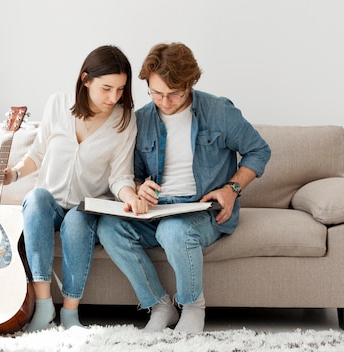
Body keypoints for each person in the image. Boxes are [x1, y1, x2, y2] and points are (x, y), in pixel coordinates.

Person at [96, 42, 271, 333]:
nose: (164, 102)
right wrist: (141, 189)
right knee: (108, 227)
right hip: (159, 210)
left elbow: (259, 151)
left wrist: (232, 189)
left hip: (204, 210)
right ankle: (159, 305)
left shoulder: (219, 112)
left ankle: (192, 306)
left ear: (189, 83)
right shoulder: (141, 120)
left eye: (174, 94)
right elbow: (134, 174)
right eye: (156, 93)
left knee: (173, 229)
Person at [0, 45, 146, 331]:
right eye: (106, 88)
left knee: (77, 218)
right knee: (35, 198)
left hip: (87, 207)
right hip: (48, 205)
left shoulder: (124, 120)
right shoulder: (58, 104)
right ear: (86, 80)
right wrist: (12, 174)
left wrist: (131, 195)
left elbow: (120, 177)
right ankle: (44, 306)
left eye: (121, 90)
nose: (114, 98)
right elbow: (37, 155)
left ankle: (71, 313)